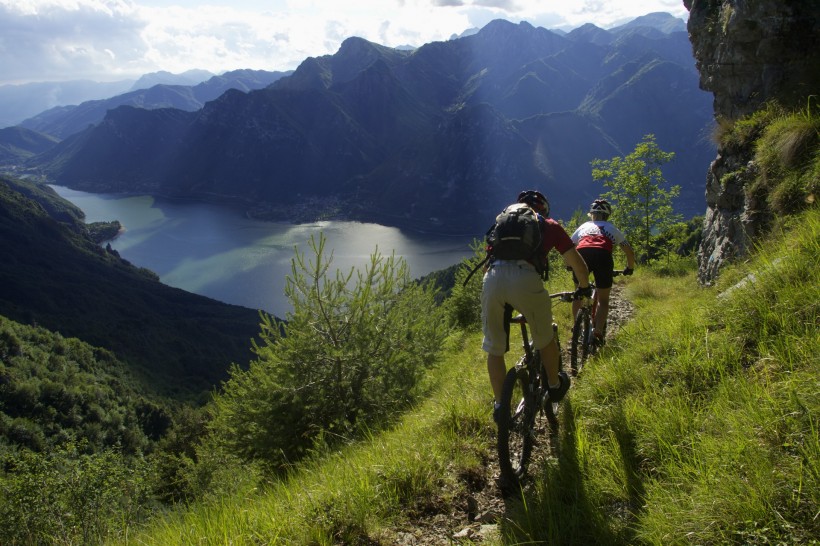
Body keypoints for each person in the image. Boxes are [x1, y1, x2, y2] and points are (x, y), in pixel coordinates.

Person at [482, 190, 592, 424]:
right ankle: (554, 385)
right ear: (542, 210)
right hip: (525, 279)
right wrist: (584, 287)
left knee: (495, 348)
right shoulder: (549, 225)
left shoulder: (502, 224)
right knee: (545, 337)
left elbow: (488, 264)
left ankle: (501, 405)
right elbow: (577, 264)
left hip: (492, 279)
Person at [570, 198, 636, 343]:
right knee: (603, 299)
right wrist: (629, 268)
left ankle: (576, 326)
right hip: (603, 256)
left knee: (578, 294)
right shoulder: (612, 229)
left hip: (582, 255)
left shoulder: (583, 226)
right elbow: (629, 252)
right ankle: (598, 332)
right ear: (608, 215)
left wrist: (570, 265)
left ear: (592, 214)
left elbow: (568, 246)